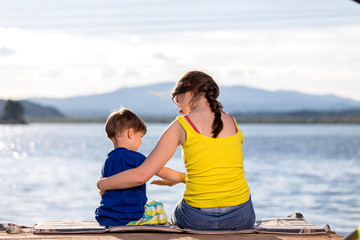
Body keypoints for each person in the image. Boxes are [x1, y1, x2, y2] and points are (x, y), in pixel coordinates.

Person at [97, 71, 256, 230]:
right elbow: (217, 172)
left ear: (187, 88)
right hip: (241, 217)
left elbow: (141, 175)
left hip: (198, 219)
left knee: (169, 214)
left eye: (176, 99)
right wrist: (182, 178)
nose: (179, 108)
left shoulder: (180, 125)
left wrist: (102, 184)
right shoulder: (231, 121)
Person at [95, 107, 185, 227]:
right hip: (132, 216)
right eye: (140, 137)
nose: (141, 142)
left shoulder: (107, 162)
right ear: (130, 133)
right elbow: (160, 170)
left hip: (109, 217)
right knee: (158, 207)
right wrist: (183, 177)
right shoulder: (134, 157)